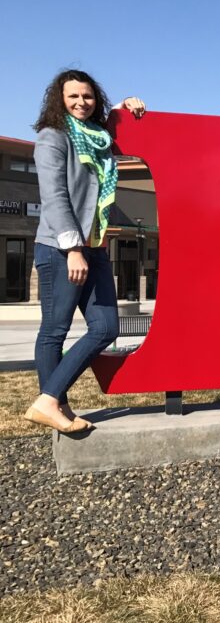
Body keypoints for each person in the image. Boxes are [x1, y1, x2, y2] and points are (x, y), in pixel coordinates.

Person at [23, 69, 146, 433]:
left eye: (87, 96)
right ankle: (57, 405)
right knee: (54, 331)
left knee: (106, 327)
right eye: (73, 96)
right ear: (59, 99)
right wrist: (73, 248)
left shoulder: (99, 137)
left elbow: (112, 132)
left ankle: (48, 400)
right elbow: (55, 197)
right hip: (62, 249)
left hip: (94, 247)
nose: (81, 102)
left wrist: (124, 109)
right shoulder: (52, 138)